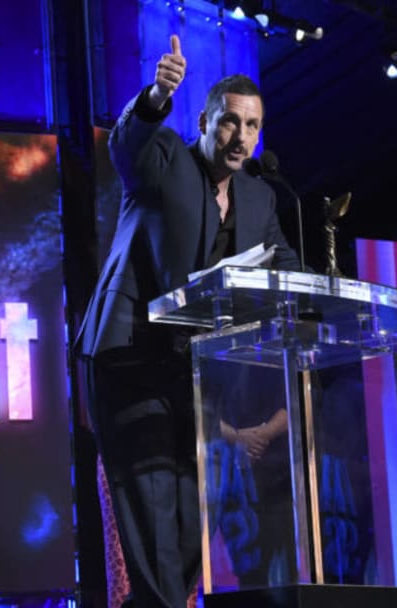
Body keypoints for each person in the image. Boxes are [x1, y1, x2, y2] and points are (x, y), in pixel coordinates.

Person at [77, 33, 299, 608]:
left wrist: (313, 294)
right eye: (230, 123)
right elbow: (127, 143)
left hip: (196, 378)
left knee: (188, 528)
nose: (241, 137)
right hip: (129, 359)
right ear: (204, 120)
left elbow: (284, 267)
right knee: (153, 519)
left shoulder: (258, 199)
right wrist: (155, 94)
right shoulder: (164, 159)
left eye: (252, 126)